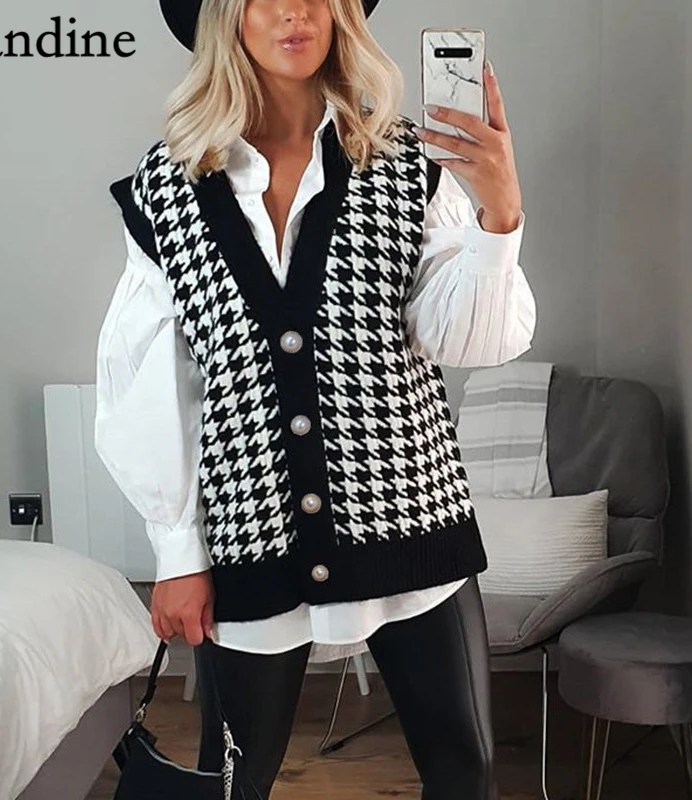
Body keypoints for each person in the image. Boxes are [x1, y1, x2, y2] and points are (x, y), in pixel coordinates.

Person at [95, 1, 536, 798]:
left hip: (410, 521)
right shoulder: (166, 187)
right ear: (226, 17)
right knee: (233, 782)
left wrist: (498, 215)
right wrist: (178, 552)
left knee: (464, 773)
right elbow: (153, 383)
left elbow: (470, 341)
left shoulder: (406, 161)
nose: (293, 9)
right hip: (250, 536)